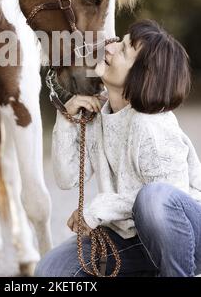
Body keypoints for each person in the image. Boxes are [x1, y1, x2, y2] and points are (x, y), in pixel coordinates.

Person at [35, 20, 201, 277]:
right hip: (130, 240)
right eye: (120, 42)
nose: (110, 48)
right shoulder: (99, 113)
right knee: (51, 271)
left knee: (153, 197)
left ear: (143, 76)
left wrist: (99, 209)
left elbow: (167, 204)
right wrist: (66, 117)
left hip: (186, 238)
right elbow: (66, 178)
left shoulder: (152, 126)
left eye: (124, 51)